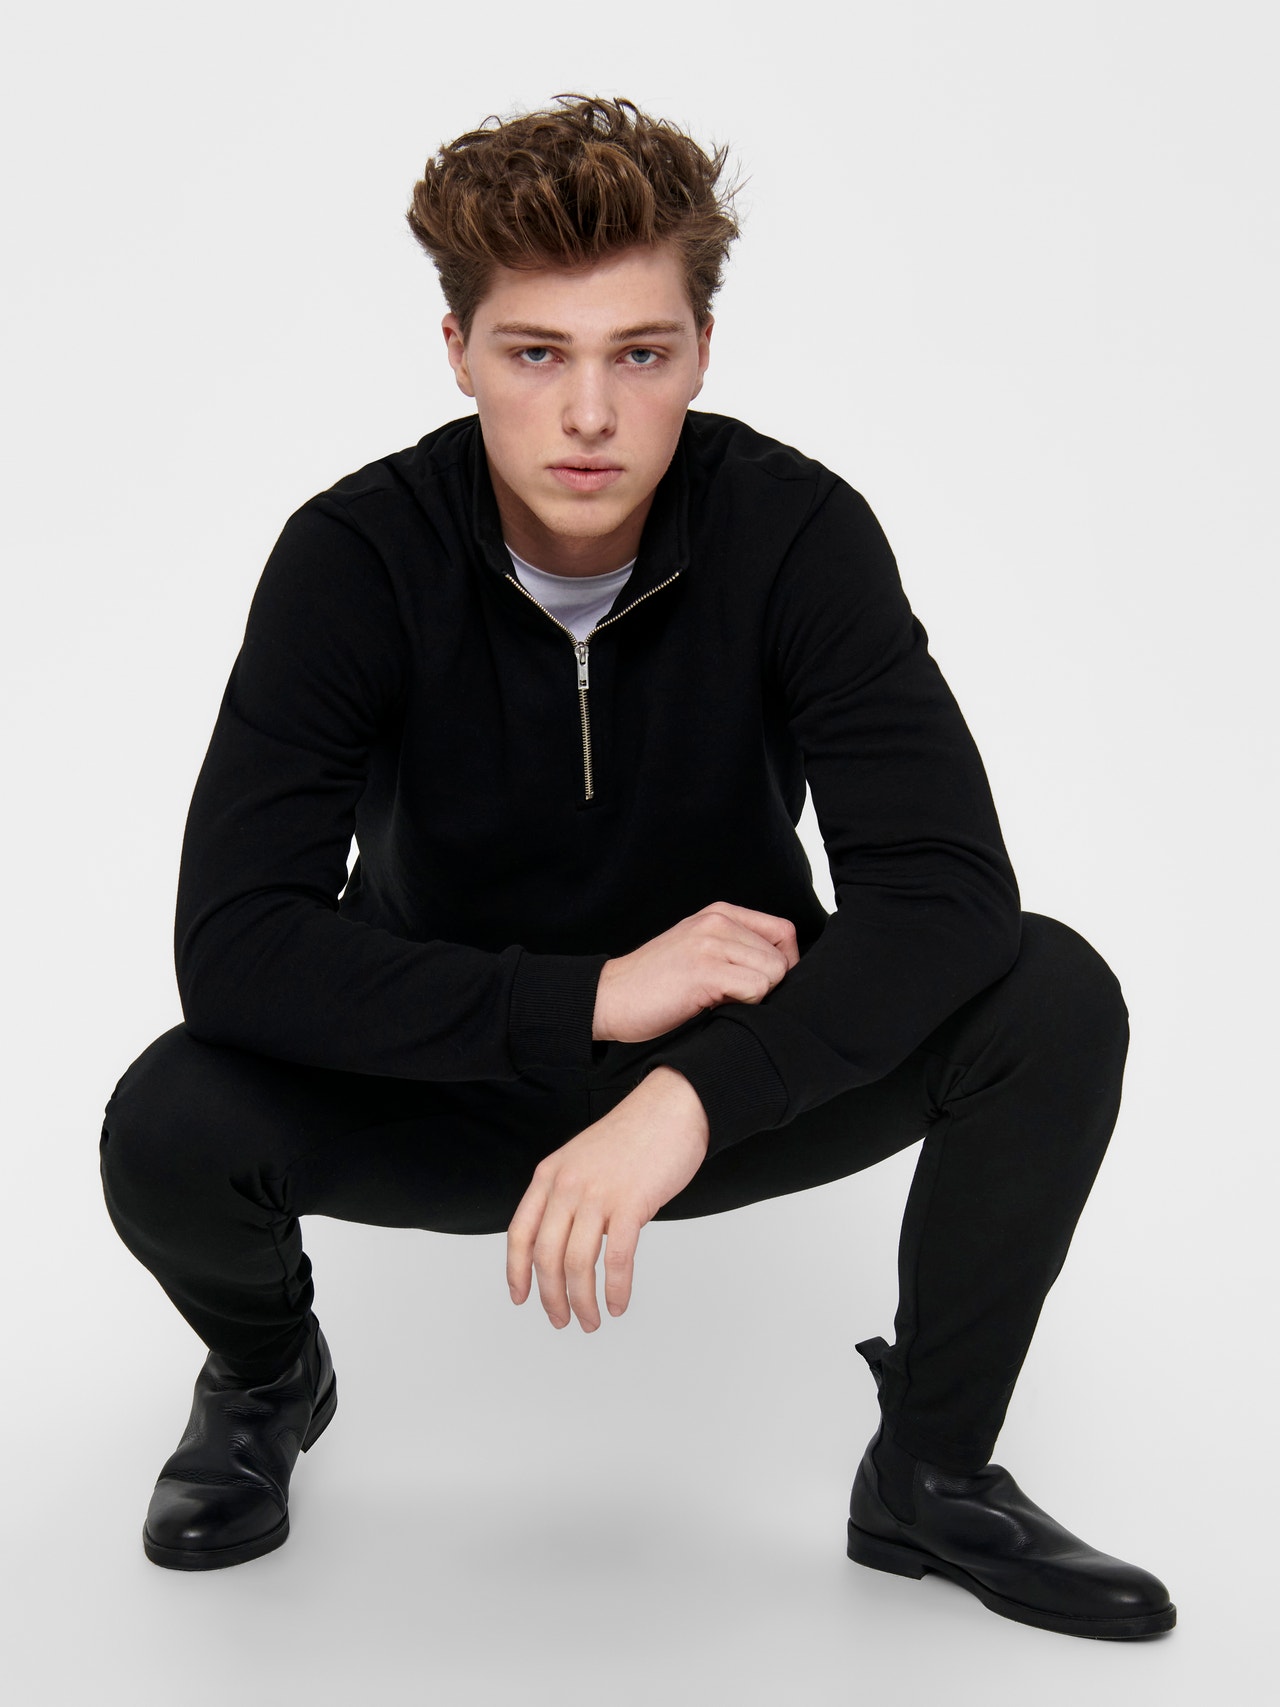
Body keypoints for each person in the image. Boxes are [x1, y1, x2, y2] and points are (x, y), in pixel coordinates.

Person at [99, 93, 1174, 1640]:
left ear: (703, 353)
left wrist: (689, 1097)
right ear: (459, 349)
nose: (589, 414)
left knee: (1051, 997)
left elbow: (946, 897)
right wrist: (590, 999)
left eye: (640, 354)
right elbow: (237, 945)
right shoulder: (354, 559)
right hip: (450, 1069)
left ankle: (932, 1475)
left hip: (733, 1065)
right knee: (169, 1122)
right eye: (538, 354)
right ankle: (268, 1376)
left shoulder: (796, 535)